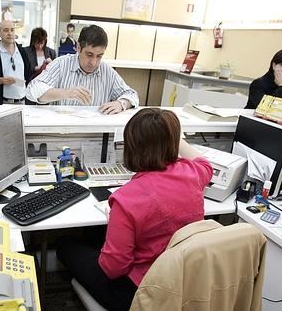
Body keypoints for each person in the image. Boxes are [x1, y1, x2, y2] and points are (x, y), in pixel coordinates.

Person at [56, 108, 213, 311]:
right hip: (179, 281)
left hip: (138, 292)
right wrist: (170, 134)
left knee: (65, 245)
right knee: (95, 236)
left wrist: (115, 223)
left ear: (131, 147)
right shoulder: (192, 173)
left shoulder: (126, 200)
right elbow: (205, 163)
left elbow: (113, 269)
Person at [24, 25, 139, 115]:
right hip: (63, 134)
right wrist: (66, 93)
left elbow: (132, 95)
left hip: (95, 135)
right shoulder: (61, 64)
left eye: (99, 56)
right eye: (89, 54)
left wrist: (121, 103)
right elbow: (31, 90)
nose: (93, 62)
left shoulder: (107, 71)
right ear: (78, 47)